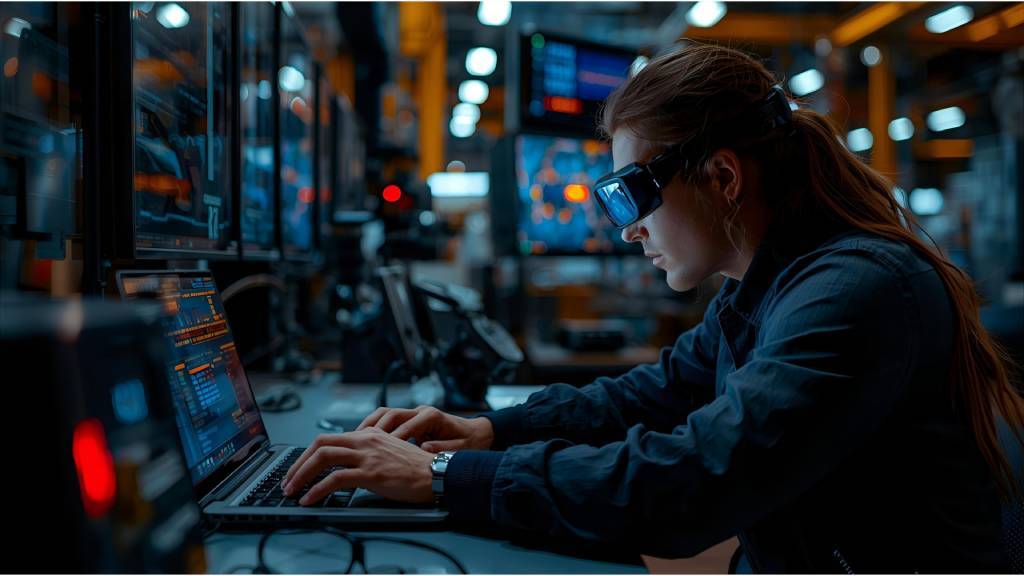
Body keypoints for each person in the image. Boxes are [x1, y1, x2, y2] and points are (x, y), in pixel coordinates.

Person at [280, 44, 1023, 572]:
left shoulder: (854, 293)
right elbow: (654, 394)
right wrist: (485, 430)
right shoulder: (765, 287)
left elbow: (695, 483)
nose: (626, 226)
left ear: (723, 178)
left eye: (630, 193)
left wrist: (443, 479)